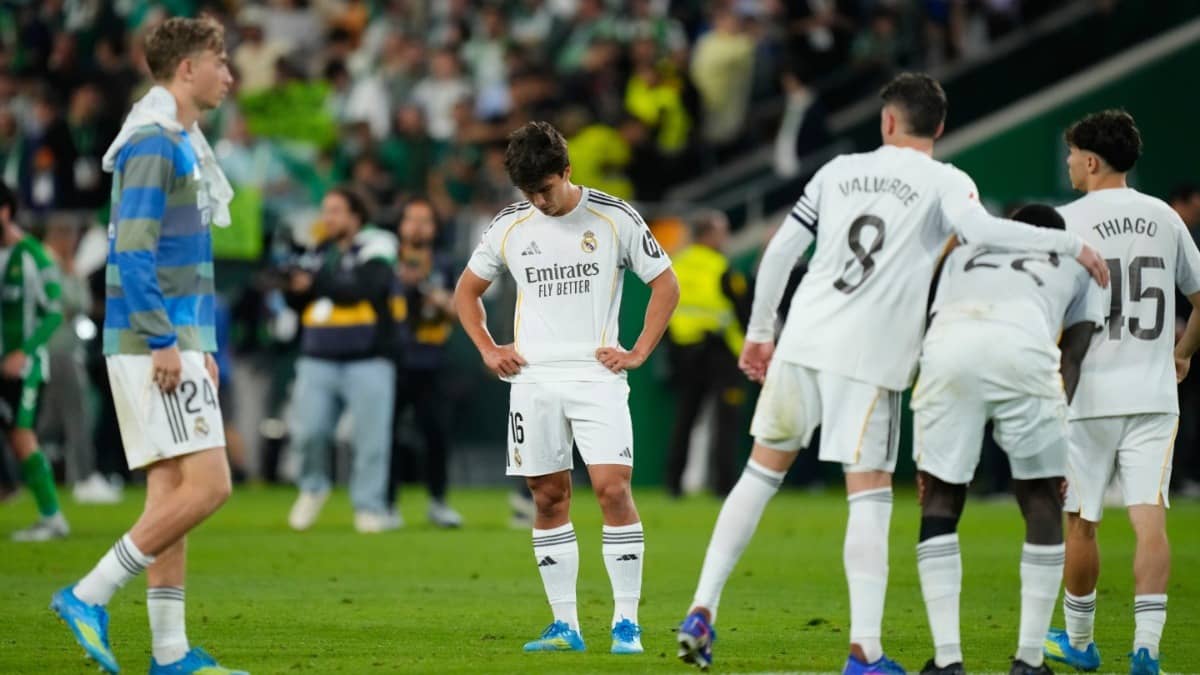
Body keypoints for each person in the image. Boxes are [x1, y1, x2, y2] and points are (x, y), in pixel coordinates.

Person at [675, 72, 1108, 675]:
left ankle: (702, 606)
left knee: (758, 474)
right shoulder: (947, 180)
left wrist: (759, 333)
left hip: (803, 339)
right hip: (870, 356)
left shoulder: (837, 171)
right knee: (870, 497)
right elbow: (982, 231)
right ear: (940, 126)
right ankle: (865, 652)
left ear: (886, 121)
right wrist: (1069, 246)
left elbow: (780, 252)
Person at [50, 17, 246, 675]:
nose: (229, 75)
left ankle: (170, 652)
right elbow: (132, 252)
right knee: (210, 486)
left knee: (170, 496)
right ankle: (89, 592)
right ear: (187, 69)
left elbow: (176, 254)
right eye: (220, 62)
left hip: (173, 337)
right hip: (152, 341)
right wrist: (166, 340)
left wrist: (198, 341)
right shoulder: (155, 143)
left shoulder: (178, 140)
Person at [454, 121, 679, 655]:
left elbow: (666, 285)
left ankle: (626, 623)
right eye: (528, 192)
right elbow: (466, 292)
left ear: (567, 171)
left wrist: (638, 351)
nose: (539, 201)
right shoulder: (509, 224)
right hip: (532, 379)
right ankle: (565, 626)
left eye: (546, 189)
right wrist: (488, 348)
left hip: (596, 376)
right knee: (548, 496)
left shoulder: (615, 216)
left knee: (612, 490)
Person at [912, 204, 1104, 675]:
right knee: (1041, 499)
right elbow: (1072, 356)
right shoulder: (1079, 261)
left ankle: (948, 660)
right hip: (1024, 350)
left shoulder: (964, 253)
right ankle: (1030, 661)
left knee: (939, 496)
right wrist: (1058, 438)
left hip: (948, 348)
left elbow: (928, 323)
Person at [1044, 111, 1200, 675]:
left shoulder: (1066, 222)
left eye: (1072, 154)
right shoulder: (1165, 216)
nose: (1068, 162)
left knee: (1082, 520)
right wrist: (1183, 353)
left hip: (1087, 397)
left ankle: (1080, 642)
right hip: (1153, 394)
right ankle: (1146, 651)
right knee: (1150, 522)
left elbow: (1047, 312)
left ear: (1091, 160)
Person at [284, 186, 398, 534]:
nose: (328, 218)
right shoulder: (319, 250)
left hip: (369, 357)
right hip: (318, 355)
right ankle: (312, 487)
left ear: (355, 215)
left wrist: (315, 282)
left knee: (370, 440)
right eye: (326, 210)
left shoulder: (377, 244)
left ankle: (369, 506)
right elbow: (299, 301)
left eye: (335, 211)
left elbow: (363, 288)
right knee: (309, 431)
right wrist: (294, 288)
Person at [0, 181, 69, 541]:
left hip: (25, 368)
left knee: (22, 437)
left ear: (5, 212)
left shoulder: (33, 256)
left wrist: (22, 352)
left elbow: (55, 313)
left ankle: (52, 518)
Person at [389, 196, 463, 528]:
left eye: (425, 220)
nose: (417, 227)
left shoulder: (445, 264)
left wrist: (439, 298)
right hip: (394, 359)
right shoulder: (386, 259)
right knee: (387, 434)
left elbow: (462, 309)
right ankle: (386, 504)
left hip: (433, 359)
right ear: (400, 225)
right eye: (411, 219)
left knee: (437, 433)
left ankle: (438, 502)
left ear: (435, 228)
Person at [664, 212, 749, 497]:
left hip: (684, 351)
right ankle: (724, 485)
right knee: (726, 421)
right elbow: (742, 311)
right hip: (720, 352)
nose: (725, 238)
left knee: (685, 419)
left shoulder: (677, 264)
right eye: (722, 232)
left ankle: (673, 484)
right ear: (709, 235)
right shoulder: (721, 267)